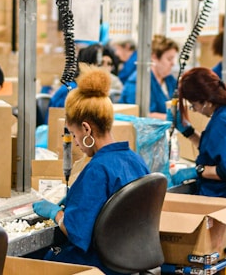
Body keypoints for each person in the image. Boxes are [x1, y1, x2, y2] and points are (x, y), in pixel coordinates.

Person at [32, 67, 149, 274]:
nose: (75, 143)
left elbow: (75, 231)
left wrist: (56, 213)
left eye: (74, 134)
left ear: (86, 129)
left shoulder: (97, 169)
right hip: (129, 261)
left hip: (98, 264)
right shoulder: (135, 160)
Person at [171, 67, 226, 197]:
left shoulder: (224, 121)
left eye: (193, 105)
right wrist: (188, 132)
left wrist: (199, 170)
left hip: (222, 197)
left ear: (206, 102)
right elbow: (215, 149)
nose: (194, 111)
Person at [120, 35, 178, 119]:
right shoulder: (137, 82)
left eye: (173, 59)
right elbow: (142, 116)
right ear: (154, 57)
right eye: (169, 59)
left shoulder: (170, 80)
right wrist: (174, 119)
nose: (173, 64)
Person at [49, 44, 123, 110]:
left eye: (109, 64)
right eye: (100, 64)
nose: (104, 68)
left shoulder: (94, 90)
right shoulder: (71, 90)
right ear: (88, 65)